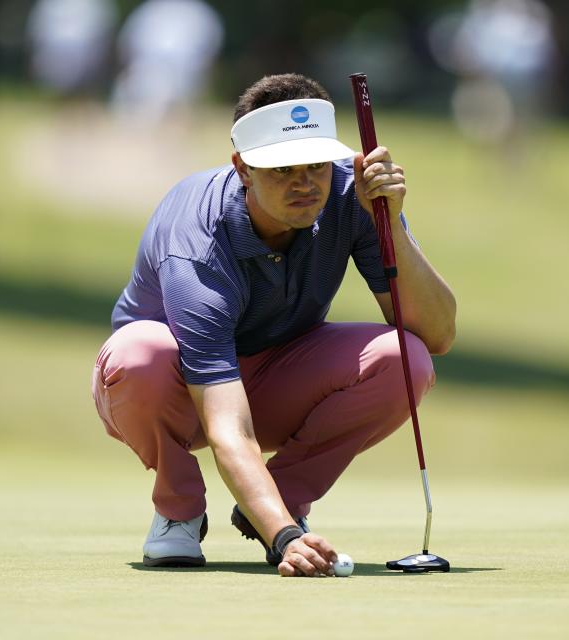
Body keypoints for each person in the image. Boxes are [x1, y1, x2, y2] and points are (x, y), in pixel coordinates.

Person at [90, 73, 456, 577]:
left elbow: (436, 334)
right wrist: (285, 538)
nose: (305, 184)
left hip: (277, 377)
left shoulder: (353, 193)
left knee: (405, 358)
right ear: (242, 167)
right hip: (169, 392)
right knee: (141, 355)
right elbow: (225, 425)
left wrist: (388, 221)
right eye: (282, 169)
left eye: (315, 166)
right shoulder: (197, 239)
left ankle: (277, 500)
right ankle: (179, 511)